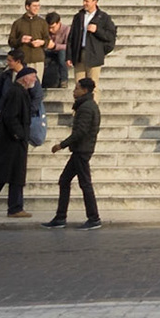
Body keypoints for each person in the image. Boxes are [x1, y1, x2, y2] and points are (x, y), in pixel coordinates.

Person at [0, 63, 39, 218]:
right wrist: (19, 135)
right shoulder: (17, 93)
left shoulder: (18, 91)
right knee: (16, 175)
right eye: (33, 77)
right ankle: (15, 208)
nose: (35, 80)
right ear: (25, 79)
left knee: (2, 176)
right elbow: (11, 117)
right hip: (12, 142)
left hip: (11, 140)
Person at [43, 77, 101, 228]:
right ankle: (61, 217)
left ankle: (93, 218)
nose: (74, 91)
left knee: (85, 184)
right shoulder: (85, 105)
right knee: (65, 180)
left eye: (77, 88)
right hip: (80, 150)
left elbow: (81, 131)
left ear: (85, 90)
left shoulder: (87, 107)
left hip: (82, 150)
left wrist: (61, 145)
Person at [66, 0, 116, 86]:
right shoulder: (78, 17)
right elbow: (71, 37)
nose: (84, 3)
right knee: (79, 85)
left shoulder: (104, 17)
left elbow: (110, 36)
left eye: (87, 1)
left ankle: (93, 101)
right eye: (84, 1)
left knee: (93, 85)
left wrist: (97, 30)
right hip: (79, 54)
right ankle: (80, 101)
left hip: (94, 55)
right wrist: (68, 56)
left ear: (95, 2)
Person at [42, 12, 67, 90]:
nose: (50, 30)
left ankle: (64, 80)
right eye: (49, 27)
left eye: (53, 27)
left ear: (58, 23)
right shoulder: (45, 30)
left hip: (61, 50)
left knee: (62, 57)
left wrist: (55, 46)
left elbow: (69, 46)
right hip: (48, 50)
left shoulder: (66, 29)